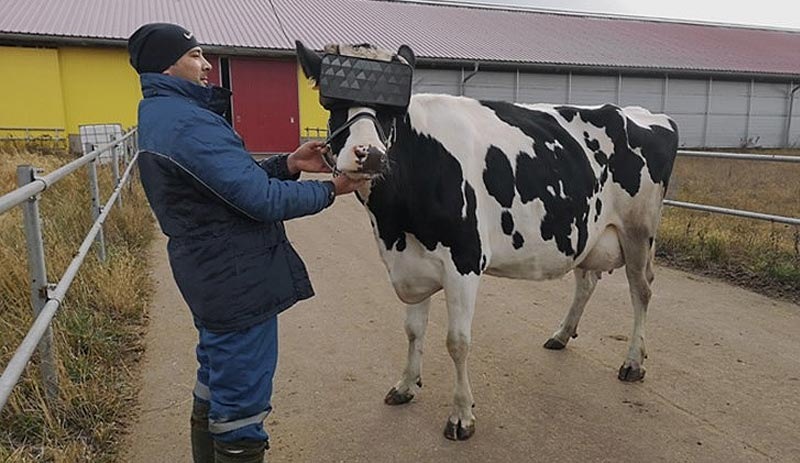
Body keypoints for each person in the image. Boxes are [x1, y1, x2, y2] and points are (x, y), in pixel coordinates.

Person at [127, 23, 365, 463]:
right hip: (234, 277)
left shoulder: (167, 115)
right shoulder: (187, 124)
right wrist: (331, 189)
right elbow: (260, 199)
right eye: (196, 54)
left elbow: (229, 186)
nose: (206, 64)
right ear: (168, 64)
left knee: (216, 379)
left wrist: (289, 163)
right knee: (241, 406)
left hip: (212, 270)